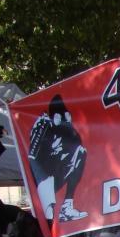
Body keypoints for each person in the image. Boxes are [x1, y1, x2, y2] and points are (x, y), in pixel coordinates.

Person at [27, 94, 88, 226]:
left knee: (81, 152)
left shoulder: (70, 132)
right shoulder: (43, 125)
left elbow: (77, 151)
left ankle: (67, 207)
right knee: (48, 221)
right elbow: (32, 157)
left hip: (57, 173)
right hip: (41, 177)